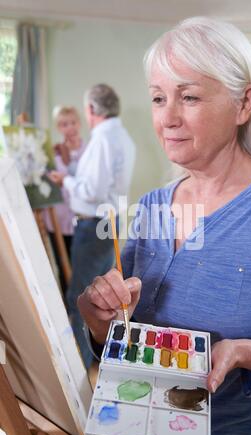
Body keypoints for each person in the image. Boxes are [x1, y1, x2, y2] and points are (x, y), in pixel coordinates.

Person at [77, 17, 251, 435]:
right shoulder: (152, 207)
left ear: (243, 104)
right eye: (159, 98)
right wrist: (100, 324)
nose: (168, 118)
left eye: (190, 97)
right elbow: (128, 342)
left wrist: (250, 352)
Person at [49, 84, 136, 369]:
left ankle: (77, 366)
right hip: (108, 222)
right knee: (102, 299)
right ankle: (93, 360)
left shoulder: (101, 139)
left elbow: (92, 191)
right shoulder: (121, 136)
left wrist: (66, 181)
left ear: (91, 110)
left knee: (82, 299)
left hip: (94, 225)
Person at [44, 106, 85, 294]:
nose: (69, 128)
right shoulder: (52, 153)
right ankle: (68, 309)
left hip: (84, 219)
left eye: (72, 123)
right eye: (63, 124)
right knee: (64, 264)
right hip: (58, 220)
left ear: (79, 123)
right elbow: (46, 181)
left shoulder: (90, 150)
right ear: (58, 127)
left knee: (84, 266)